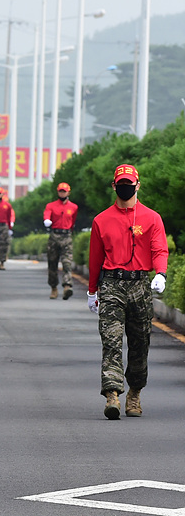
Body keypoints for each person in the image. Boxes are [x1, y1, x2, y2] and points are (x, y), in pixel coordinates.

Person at [87, 164, 168, 420]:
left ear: (138, 185)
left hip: (140, 286)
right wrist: (92, 291)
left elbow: (159, 249)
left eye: (129, 183)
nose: (125, 187)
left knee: (139, 342)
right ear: (114, 186)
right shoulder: (101, 220)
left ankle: (134, 392)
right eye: (120, 183)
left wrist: (160, 273)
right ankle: (112, 394)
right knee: (111, 341)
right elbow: (95, 259)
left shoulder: (152, 218)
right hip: (111, 284)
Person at [43, 182, 79, 300]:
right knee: (52, 263)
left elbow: (73, 221)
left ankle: (67, 286)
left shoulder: (73, 207)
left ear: (68, 192)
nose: (62, 193)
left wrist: (70, 231)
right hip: (54, 236)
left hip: (66, 236)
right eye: (60, 191)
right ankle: (53, 287)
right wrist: (47, 220)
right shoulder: (51, 205)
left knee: (67, 262)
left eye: (64, 191)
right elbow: (47, 214)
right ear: (57, 192)